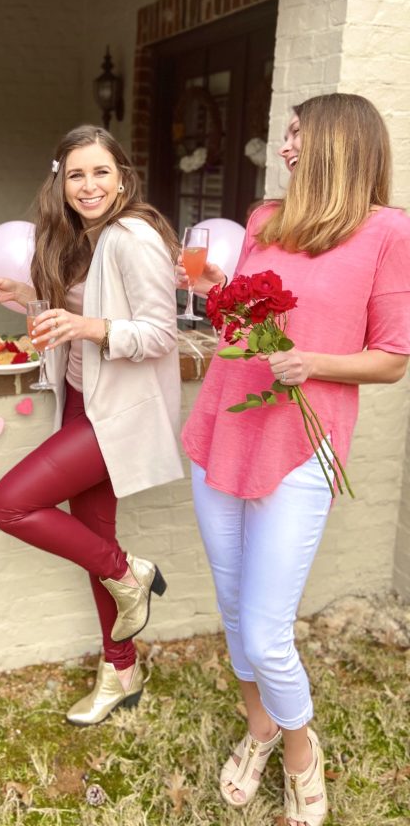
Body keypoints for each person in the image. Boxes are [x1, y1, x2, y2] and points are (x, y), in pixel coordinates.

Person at [180, 94, 410, 826]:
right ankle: (258, 728)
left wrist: (309, 362)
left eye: (295, 136)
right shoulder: (263, 220)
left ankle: (300, 751)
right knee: (232, 606)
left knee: (265, 629)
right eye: (285, 135)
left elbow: (393, 358)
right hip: (221, 425)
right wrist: (219, 304)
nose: (283, 148)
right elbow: (245, 324)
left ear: (339, 146)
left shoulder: (388, 233)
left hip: (302, 444)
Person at [0, 125, 183, 726]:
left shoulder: (133, 235)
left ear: (123, 176)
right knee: (96, 541)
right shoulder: (87, 239)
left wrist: (89, 328)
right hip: (80, 399)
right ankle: (120, 670)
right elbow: (84, 313)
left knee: (9, 505)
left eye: (100, 172)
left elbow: (158, 334)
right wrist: (29, 297)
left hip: (113, 413)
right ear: (60, 182)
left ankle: (133, 573)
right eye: (76, 174)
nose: (89, 185)